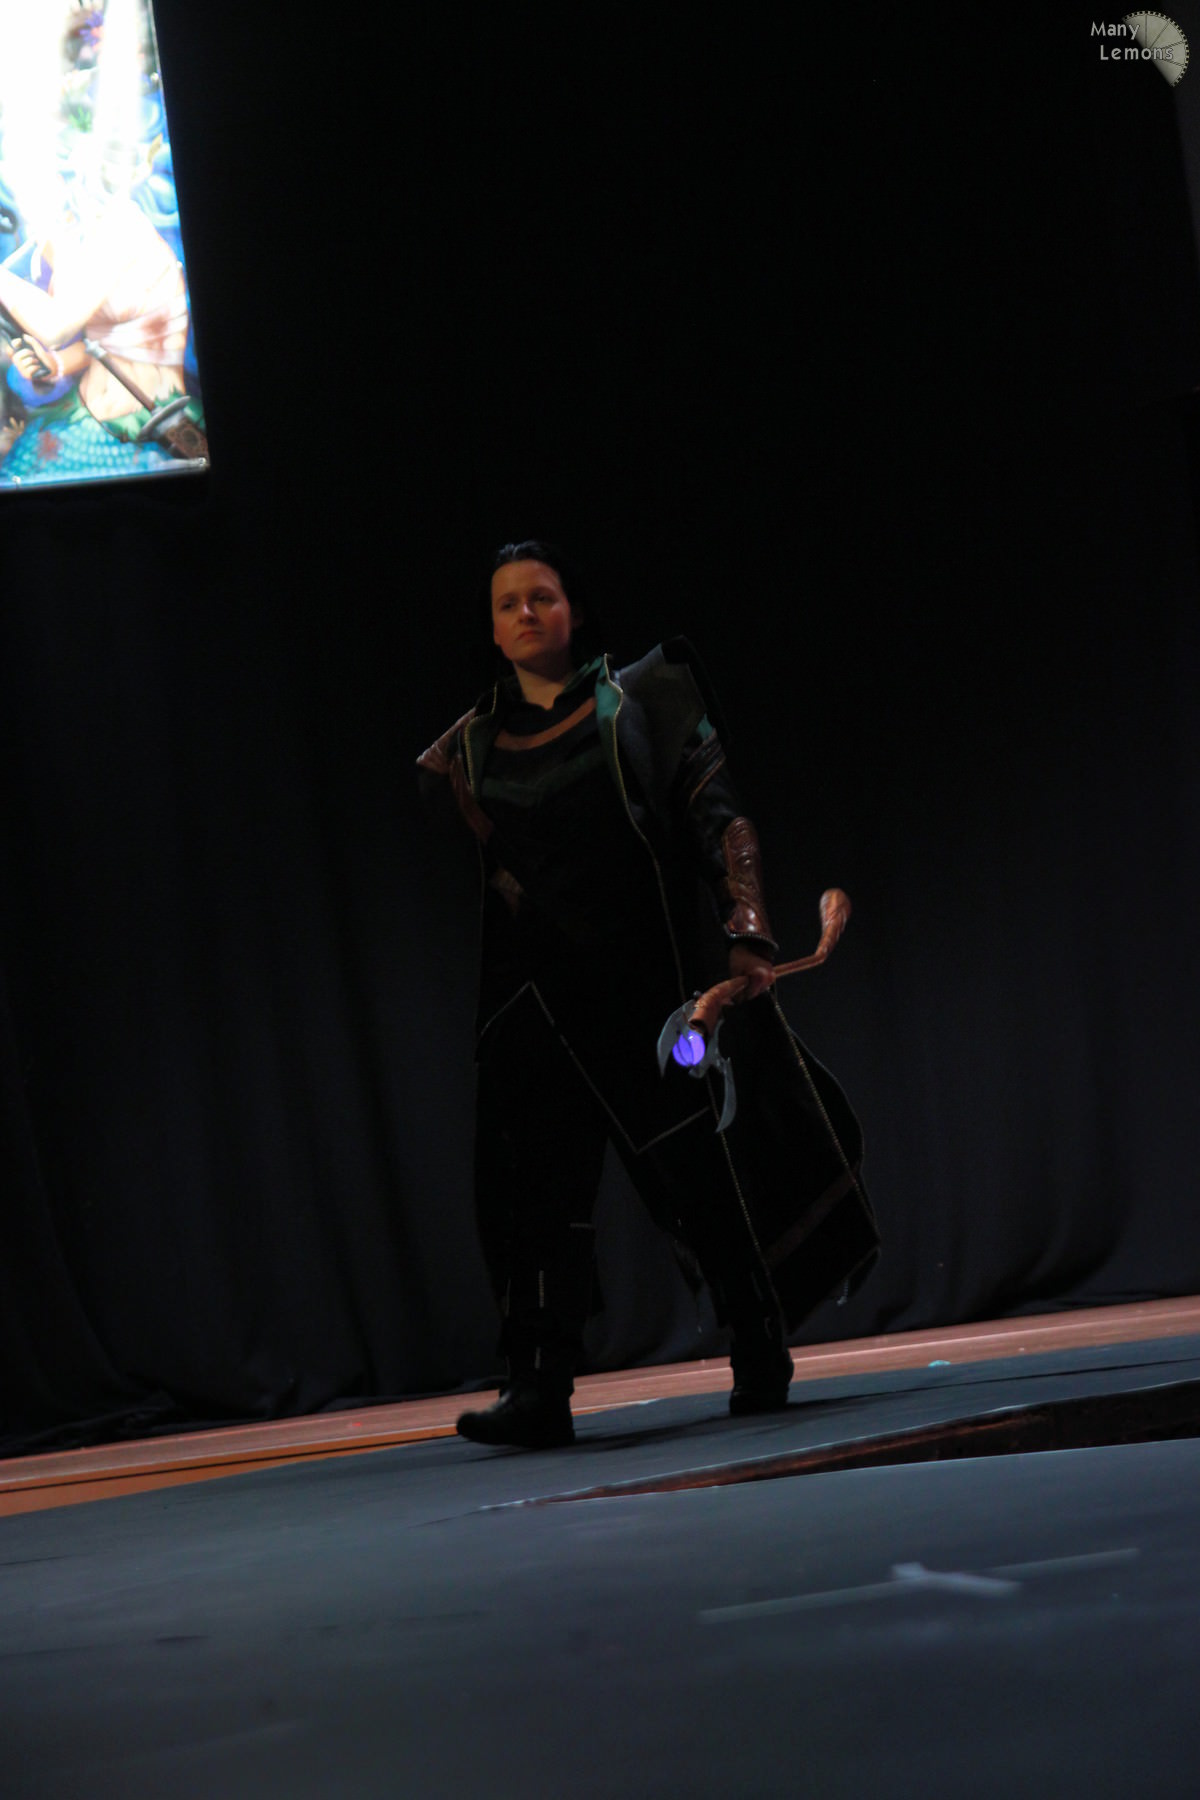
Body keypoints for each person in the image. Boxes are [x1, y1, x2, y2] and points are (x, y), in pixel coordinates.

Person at [418, 540, 879, 1448]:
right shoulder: (469, 748)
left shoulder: (644, 702)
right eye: (507, 604)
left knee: (700, 1176)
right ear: (492, 631)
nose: (525, 613)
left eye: (541, 596)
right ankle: (538, 1387)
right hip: (531, 1005)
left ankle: (759, 1346)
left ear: (574, 610)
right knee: (536, 1199)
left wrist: (747, 932)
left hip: (646, 992)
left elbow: (722, 819)